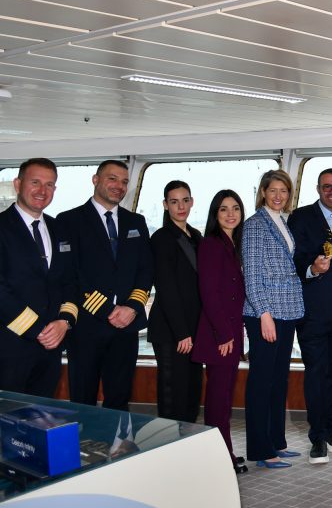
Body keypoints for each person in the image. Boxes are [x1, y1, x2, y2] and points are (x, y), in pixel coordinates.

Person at [58, 159, 153, 411]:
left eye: (124, 181)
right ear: (96, 179)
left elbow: (146, 270)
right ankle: (86, 439)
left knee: (120, 399)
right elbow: (70, 275)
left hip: (127, 327)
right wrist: (107, 310)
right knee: (83, 401)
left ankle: (119, 439)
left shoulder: (136, 222)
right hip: (86, 327)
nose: (119, 186)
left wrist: (132, 307)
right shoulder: (68, 221)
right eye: (112, 179)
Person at [288, 168, 332, 464]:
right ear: (318, 188)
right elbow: (294, 258)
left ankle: (330, 429)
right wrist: (313, 269)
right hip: (313, 311)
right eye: (328, 186)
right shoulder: (301, 217)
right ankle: (317, 437)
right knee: (316, 373)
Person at [241, 169, 305, 469]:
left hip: (286, 311)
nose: (279, 196)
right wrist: (264, 314)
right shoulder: (255, 225)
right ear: (263, 193)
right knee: (262, 382)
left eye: (284, 190)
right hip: (265, 313)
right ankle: (260, 449)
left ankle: (276, 441)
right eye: (273, 190)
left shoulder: (282, 221)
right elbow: (252, 275)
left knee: (279, 380)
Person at [0, 158, 77, 397]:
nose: (42, 190)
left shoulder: (60, 229)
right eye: (35, 182)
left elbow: (70, 281)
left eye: (49, 184)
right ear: (18, 184)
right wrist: (37, 329)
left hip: (51, 348)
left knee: (42, 412)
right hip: (9, 346)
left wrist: (64, 322)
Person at [192, 190, 247, 474]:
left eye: (235, 208)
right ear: (215, 214)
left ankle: (224, 452)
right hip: (220, 336)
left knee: (224, 398)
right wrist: (224, 334)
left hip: (231, 332)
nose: (230, 214)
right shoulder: (211, 244)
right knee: (217, 400)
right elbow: (209, 293)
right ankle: (220, 457)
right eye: (224, 209)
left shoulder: (233, 244)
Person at [148, 180, 203, 423]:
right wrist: (182, 332)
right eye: (174, 202)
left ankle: (189, 439)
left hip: (193, 328)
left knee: (192, 389)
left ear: (192, 202)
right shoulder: (162, 238)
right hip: (171, 331)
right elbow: (166, 287)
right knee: (173, 394)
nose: (180, 207)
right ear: (165, 205)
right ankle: (170, 441)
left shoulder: (196, 236)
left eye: (185, 200)